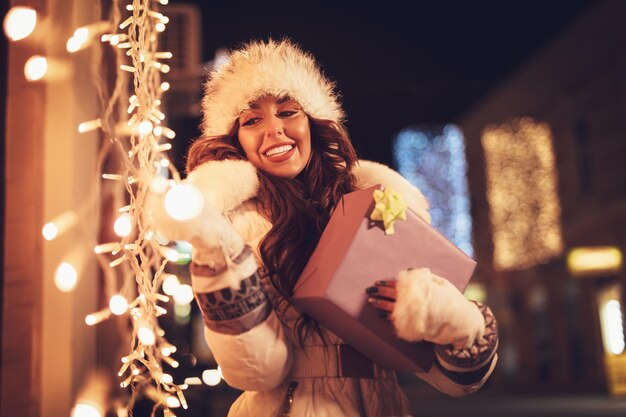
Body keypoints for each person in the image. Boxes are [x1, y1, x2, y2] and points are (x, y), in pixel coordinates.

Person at [151, 39, 498, 417]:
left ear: (312, 120)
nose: (273, 131)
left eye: (287, 112)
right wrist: (218, 256)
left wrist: (443, 316)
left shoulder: (377, 206)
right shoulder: (232, 224)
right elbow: (257, 370)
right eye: (252, 120)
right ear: (237, 140)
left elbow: (459, 380)